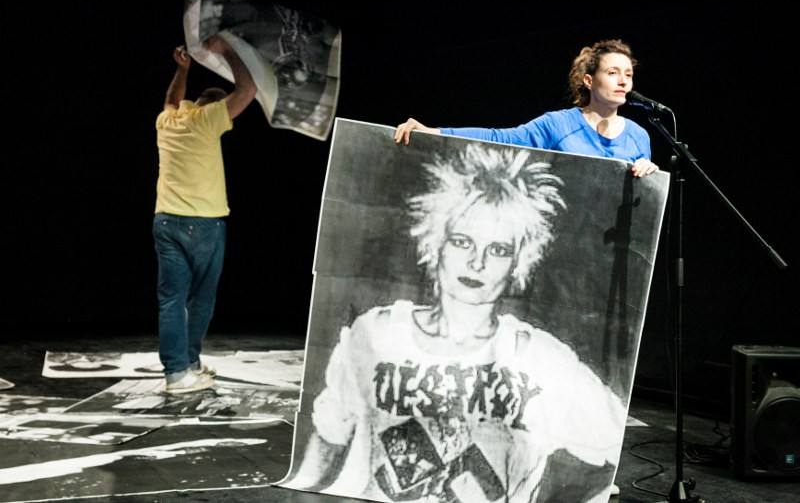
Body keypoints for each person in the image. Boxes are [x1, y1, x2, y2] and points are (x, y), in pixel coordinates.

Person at [286, 144, 625, 502]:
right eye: (462, 242)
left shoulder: (541, 358)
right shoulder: (377, 333)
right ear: (437, 245)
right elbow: (329, 434)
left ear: (518, 263)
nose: (477, 262)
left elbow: (611, 442)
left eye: (499, 250)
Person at [153, 35, 256, 395]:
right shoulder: (208, 120)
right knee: (201, 299)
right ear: (213, 107)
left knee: (171, 299)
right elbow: (247, 89)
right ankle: (188, 361)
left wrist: (182, 69)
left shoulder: (168, 120)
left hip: (165, 222)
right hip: (203, 225)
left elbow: (171, 99)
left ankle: (179, 371)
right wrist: (227, 50)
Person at [394, 39, 659, 178]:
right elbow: (499, 139)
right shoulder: (559, 125)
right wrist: (433, 132)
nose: (623, 81)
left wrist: (650, 179)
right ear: (589, 81)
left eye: (628, 74)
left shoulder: (639, 136)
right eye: (613, 73)